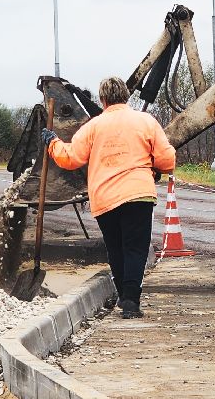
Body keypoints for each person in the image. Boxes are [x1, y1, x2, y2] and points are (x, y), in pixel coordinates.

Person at [41, 76, 175, 319]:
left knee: (116, 248)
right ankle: (130, 302)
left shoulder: (93, 127)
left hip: (105, 198)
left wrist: (53, 143)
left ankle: (124, 295)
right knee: (135, 249)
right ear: (126, 96)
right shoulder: (146, 121)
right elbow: (167, 160)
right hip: (138, 195)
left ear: (102, 100)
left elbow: (70, 158)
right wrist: (152, 165)